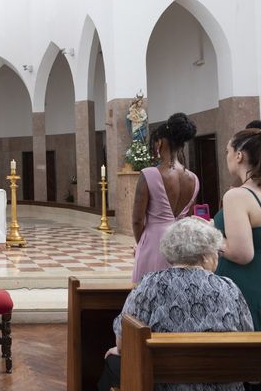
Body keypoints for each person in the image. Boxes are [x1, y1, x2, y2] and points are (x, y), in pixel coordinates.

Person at [98, 217, 253, 391]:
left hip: (164, 384)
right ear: (204, 256)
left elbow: (123, 339)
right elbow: (247, 340)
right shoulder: (229, 287)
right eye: (217, 252)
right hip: (223, 385)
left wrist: (119, 350)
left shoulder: (149, 285)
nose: (218, 257)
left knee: (113, 362)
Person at [132, 112, 199, 282]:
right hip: (179, 245)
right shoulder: (193, 179)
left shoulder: (149, 174)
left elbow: (137, 220)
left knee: (147, 298)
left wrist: (142, 244)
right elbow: (189, 218)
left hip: (154, 244)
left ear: (159, 142)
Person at [215, 128, 261, 331]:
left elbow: (242, 253)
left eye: (227, 151)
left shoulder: (237, 196)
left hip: (245, 286)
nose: (227, 157)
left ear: (239, 155)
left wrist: (208, 235)